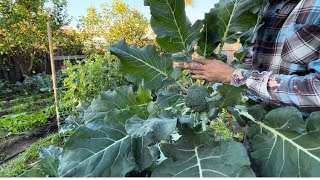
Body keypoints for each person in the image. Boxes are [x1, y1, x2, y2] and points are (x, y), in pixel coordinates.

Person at [179, 0, 320, 115]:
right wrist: (217, 80)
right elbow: (251, 64)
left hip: (300, 136)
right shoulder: (261, 9)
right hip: (256, 127)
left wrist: (234, 76)